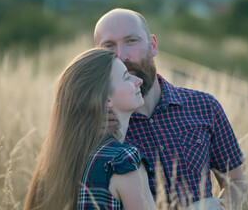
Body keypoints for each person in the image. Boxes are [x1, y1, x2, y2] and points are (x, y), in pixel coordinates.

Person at [94, 8, 248, 209]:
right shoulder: (95, 125)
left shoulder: (204, 106)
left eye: (131, 41)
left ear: (153, 45)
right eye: (109, 46)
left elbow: (236, 182)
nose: (122, 55)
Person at [24, 48, 156, 210]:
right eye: (126, 77)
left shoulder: (54, 165)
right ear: (106, 99)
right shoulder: (122, 161)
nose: (138, 81)